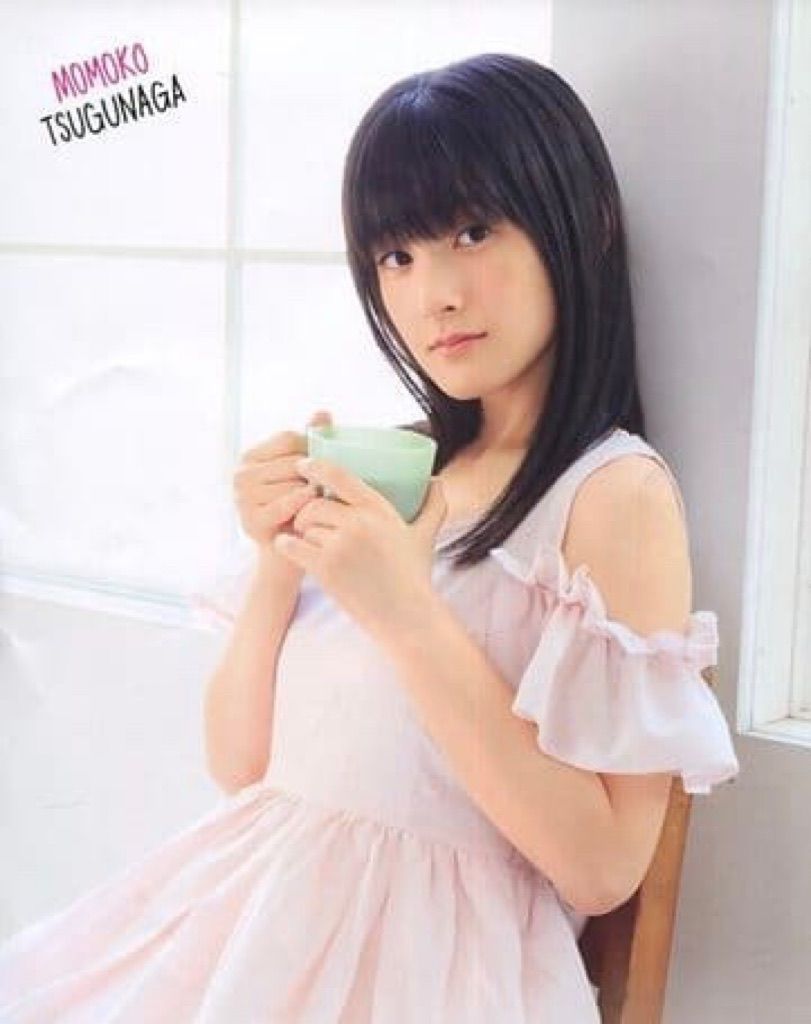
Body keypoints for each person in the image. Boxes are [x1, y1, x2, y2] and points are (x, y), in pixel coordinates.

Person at [0, 52, 740, 1021]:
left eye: (471, 231)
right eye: (396, 256)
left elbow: (602, 868)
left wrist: (404, 612)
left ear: (582, 220)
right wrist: (276, 562)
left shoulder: (612, 494)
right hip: (255, 922)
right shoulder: (400, 465)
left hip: (432, 974)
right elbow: (241, 766)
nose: (434, 293)